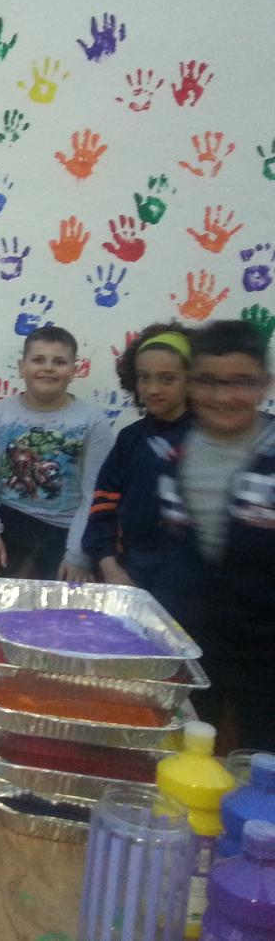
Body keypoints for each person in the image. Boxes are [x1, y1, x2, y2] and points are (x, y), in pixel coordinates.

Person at [154, 319, 275, 749]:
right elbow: (174, 553)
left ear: (264, 384)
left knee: (261, 762)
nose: (222, 397)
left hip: (267, 651)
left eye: (239, 382)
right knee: (180, 753)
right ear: (190, 384)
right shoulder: (172, 454)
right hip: (193, 643)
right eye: (208, 382)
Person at [0, 326, 113, 582]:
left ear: (73, 370)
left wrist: (77, 555)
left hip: (66, 529)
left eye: (59, 362)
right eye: (38, 360)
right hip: (8, 520)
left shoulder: (93, 422)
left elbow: (93, 495)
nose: (48, 368)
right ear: (22, 367)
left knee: (61, 611)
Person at [82, 323, 193, 591]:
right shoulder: (130, 439)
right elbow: (101, 512)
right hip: (130, 576)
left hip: (192, 585)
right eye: (144, 377)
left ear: (192, 379)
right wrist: (112, 570)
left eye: (167, 378)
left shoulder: (211, 437)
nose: (153, 389)